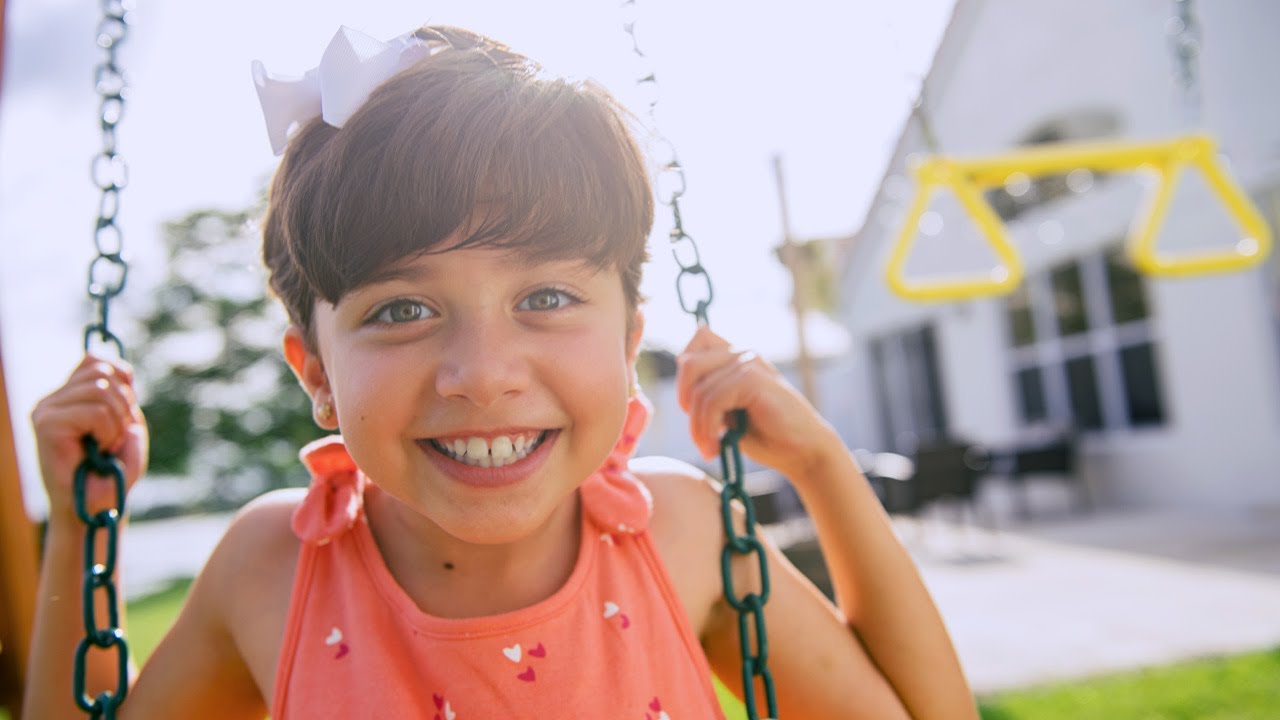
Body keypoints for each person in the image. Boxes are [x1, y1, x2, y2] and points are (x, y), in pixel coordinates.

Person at [25, 24, 975, 719]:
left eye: (548, 298)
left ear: (629, 332)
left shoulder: (678, 533)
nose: (482, 375)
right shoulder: (273, 568)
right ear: (314, 369)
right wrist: (78, 523)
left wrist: (820, 464)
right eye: (401, 310)